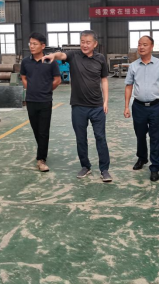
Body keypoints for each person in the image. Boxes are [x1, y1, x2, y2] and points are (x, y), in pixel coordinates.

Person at [42, 31, 112, 183]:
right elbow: (61, 55)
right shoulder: (74, 55)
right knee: (81, 138)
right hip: (78, 106)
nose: (84, 45)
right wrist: (53, 55)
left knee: (100, 137)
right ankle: (85, 166)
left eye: (88, 42)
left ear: (95, 44)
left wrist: (105, 101)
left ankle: (104, 169)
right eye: (82, 41)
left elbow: (104, 80)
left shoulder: (100, 59)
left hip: (97, 106)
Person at [124, 36, 159, 182]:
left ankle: (155, 167)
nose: (141, 47)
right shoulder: (133, 66)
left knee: (155, 136)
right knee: (140, 135)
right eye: (139, 44)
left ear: (152, 47)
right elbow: (129, 86)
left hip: (156, 106)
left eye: (145, 44)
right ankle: (142, 158)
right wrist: (126, 106)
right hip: (138, 106)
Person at [20, 32, 62, 172]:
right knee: (36, 129)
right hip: (31, 100)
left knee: (43, 130)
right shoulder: (26, 62)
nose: (31, 46)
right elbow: (23, 77)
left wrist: (46, 90)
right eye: (30, 43)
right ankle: (42, 151)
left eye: (35, 44)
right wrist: (31, 89)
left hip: (45, 101)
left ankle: (41, 159)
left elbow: (57, 80)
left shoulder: (50, 62)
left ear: (43, 46)